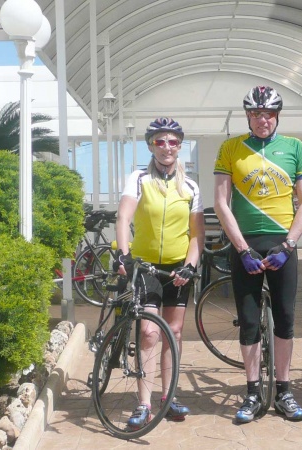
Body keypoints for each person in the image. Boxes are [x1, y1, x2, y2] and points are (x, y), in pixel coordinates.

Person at [213, 85, 302, 423]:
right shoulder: (230, 148)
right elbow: (221, 203)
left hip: (282, 242)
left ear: (277, 116)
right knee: (248, 321)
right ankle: (253, 392)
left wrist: (289, 245)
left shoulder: (295, 147)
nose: (262, 119)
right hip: (246, 244)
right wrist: (241, 249)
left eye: (268, 113)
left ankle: (284, 390)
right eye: (256, 114)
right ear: (248, 116)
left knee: (285, 318)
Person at [114, 117, 205, 428]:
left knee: (174, 332)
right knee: (149, 333)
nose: (167, 147)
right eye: (160, 141)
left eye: (173, 141)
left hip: (177, 267)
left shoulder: (190, 185)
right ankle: (143, 403)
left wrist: (190, 266)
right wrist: (123, 255)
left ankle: (169, 396)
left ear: (180, 145)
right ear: (150, 145)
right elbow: (124, 218)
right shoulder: (138, 179)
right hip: (146, 265)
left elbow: (197, 234)